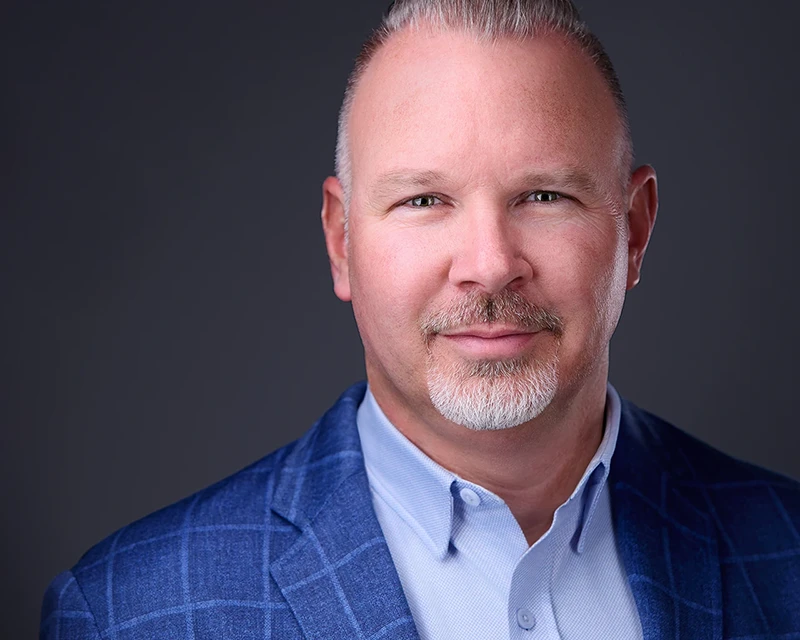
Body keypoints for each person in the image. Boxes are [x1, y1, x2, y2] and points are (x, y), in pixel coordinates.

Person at [41, 0, 800, 638]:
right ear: (342, 241)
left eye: (544, 196)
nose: (489, 262)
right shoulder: (129, 612)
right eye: (424, 200)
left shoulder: (787, 550)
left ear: (633, 230)